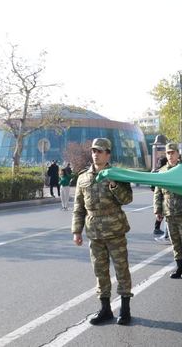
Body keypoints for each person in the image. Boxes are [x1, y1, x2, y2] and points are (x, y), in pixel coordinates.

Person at [72, 138, 134, 325]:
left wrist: (114, 185)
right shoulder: (83, 177)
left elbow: (127, 199)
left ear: (108, 154)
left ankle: (125, 309)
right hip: (94, 232)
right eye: (93, 151)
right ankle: (105, 309)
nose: (96, 154)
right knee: (100, 271)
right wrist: (77, 231)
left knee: (121, 269)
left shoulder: (117, 174)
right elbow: (78, 207)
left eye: (100, 151)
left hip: (115, 229)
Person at [154, 143, 182, 279]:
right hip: (169, 212)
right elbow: (158, 192)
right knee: (174, 241)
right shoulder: (162, 171)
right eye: (168, 153)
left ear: (178, 154)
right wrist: (157, 210)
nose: (170, 155)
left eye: (172, 152)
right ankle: (179, 267)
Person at [152, 156, 168, 236]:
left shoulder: (155, 171)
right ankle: (158, 229)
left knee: (161, 213)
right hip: (162, 196)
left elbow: (152, 186)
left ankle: (158, 228)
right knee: (163, 214)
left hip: (158, 195)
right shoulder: (163, 172)